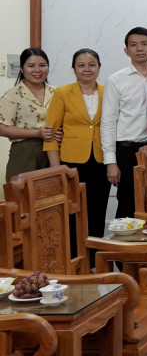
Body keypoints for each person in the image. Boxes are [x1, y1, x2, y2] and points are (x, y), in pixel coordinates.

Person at [101, 27, 147, 218]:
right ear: (126, 51)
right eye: (133, 45)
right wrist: (111, 162)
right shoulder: (115, 80)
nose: (139, 49)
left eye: (144, 44)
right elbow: (108, 122)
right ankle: (124, 247)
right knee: (128, 203)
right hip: (127, 150)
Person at [43, 48, 109, 246]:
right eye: (81, 65)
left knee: (98, 211)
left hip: (101, 160)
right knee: (72, 212)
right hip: (71, 163)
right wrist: (57, 169)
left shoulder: (108, 91)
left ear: (99, 67)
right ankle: (73, 262)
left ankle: (95, 262)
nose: (86, 69)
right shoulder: (63, 93)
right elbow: (51, 133)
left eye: (92, 65)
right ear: (74, 69)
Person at [0, 48, 55, 181]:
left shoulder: (57, 92)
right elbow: (1, 127)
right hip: (24, 153)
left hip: (54, 152)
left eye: (42, 65)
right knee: (22, 197)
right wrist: (37, 133)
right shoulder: (13, 95)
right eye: (31, 66)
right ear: (22, 69)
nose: (37, 70)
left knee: (52, 198)